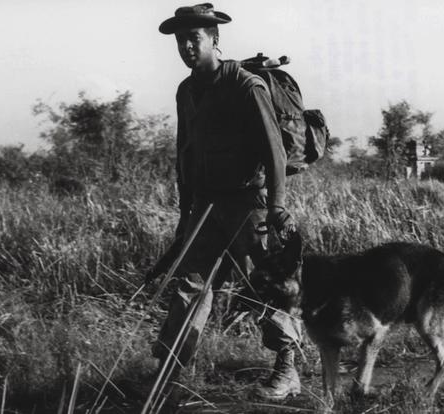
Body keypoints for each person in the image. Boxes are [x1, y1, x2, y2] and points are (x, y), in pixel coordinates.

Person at [151, 3, 301, 402]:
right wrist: (185, 215)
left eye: (194, 38)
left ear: (215, 40)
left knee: (261, 285)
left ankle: (287, 369)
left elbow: (275, 154)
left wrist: (277, 206)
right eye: (181, 40)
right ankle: (170, 374)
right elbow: (185, 154)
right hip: (204, 206)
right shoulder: (186, 91)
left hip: (247, 203)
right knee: (190, 287)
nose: (186, 46)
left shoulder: (246, 85)